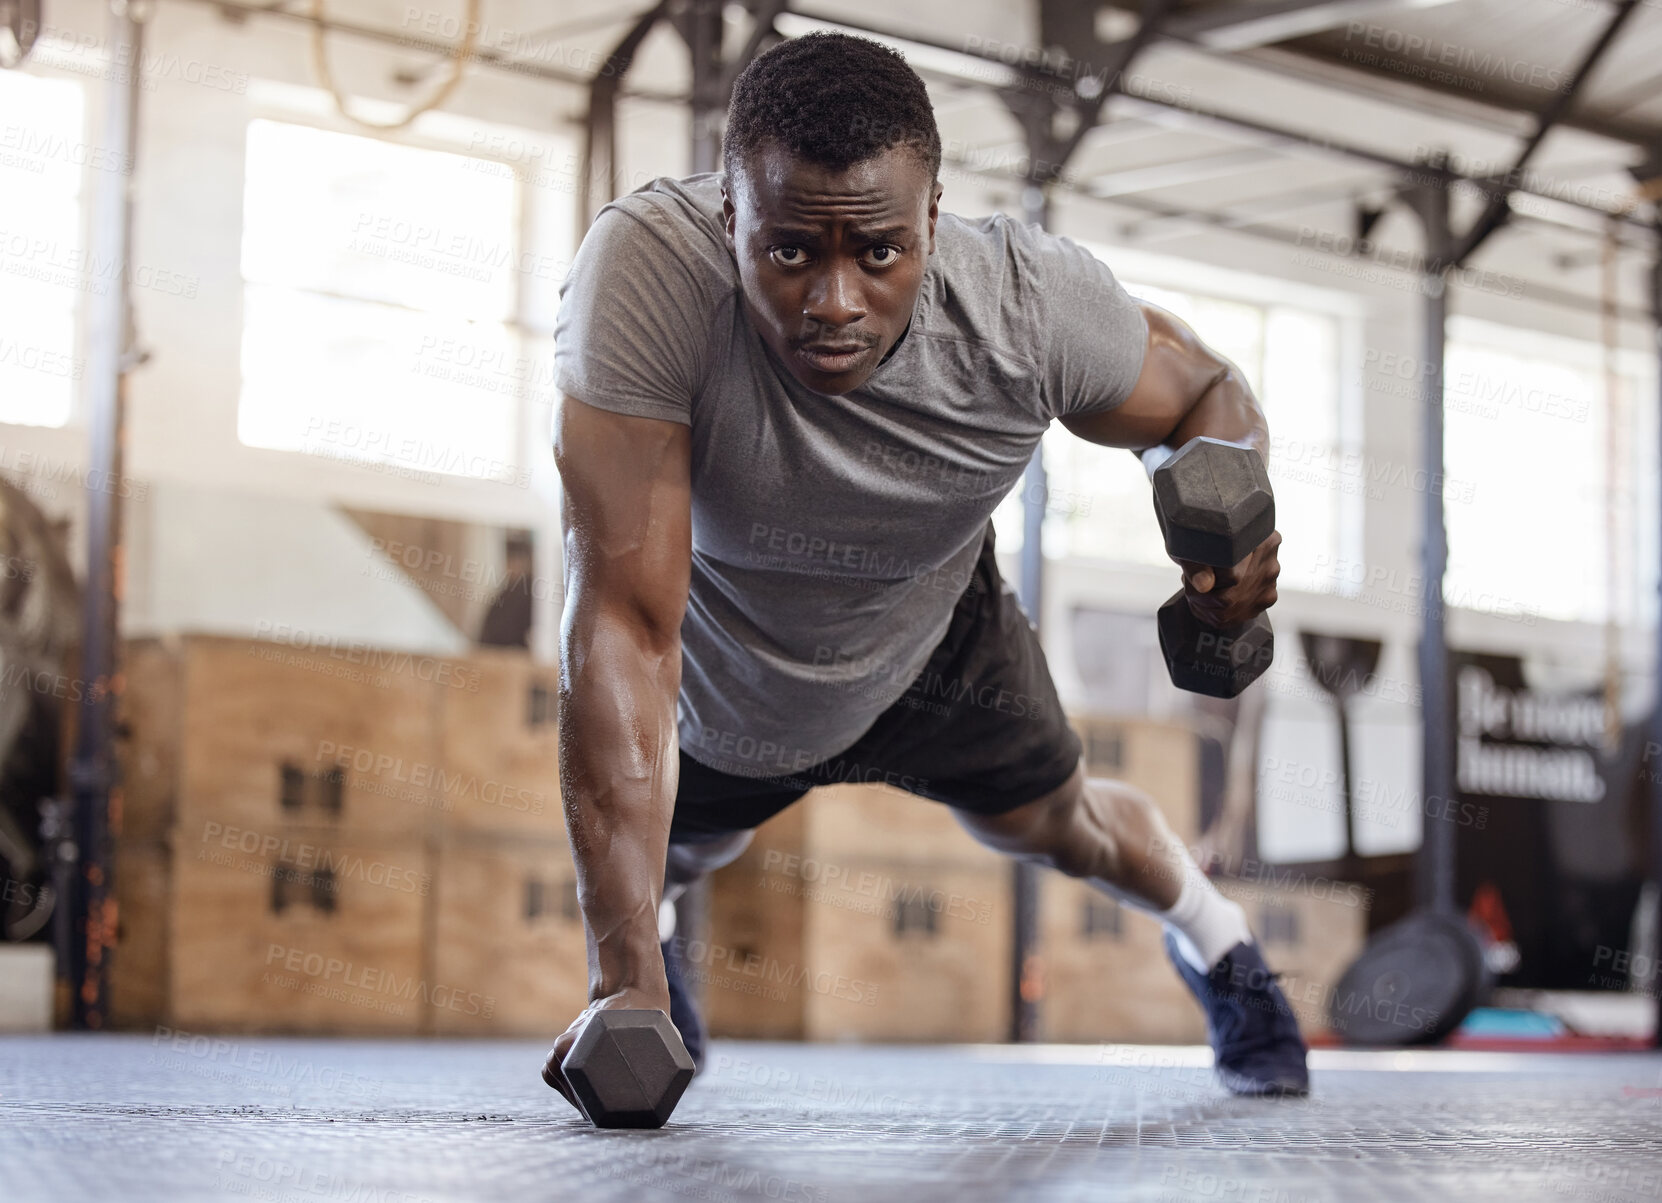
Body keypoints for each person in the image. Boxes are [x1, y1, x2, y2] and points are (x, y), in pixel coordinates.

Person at [543, 31, 1305, 1109]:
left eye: (880, 254)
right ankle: (655, 964)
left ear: (934, 224)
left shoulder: (1026, 306)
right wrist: (620, 988)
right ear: (730, 220)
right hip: (724, 658)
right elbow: (623, 623)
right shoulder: (649, 279)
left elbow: (1204, 395)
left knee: (1066, 829)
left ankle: (1222, 945)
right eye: (792, 252)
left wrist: (1228, 530)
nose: (836, 302)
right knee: (658, 853)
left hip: (934, 633)